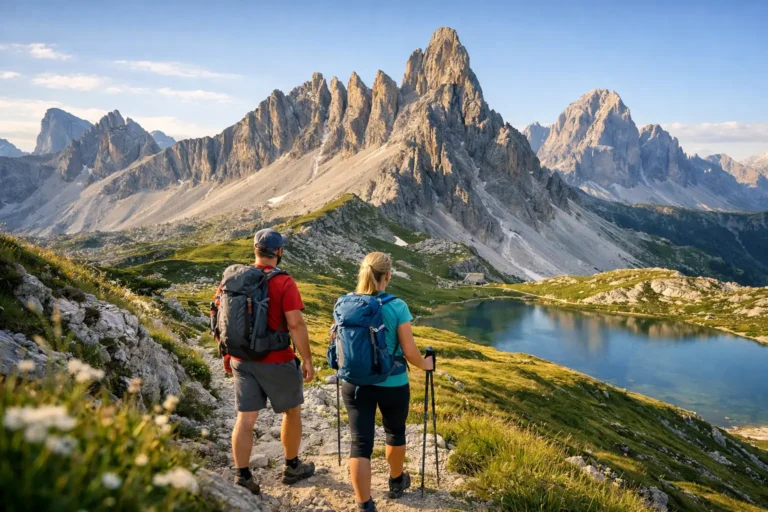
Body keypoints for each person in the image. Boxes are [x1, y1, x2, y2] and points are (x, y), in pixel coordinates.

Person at [214, 228, 315, 494]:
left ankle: (243, 476)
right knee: (291, 411)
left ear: (255, 251)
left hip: (241, 358)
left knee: (245, 420)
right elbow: (295, 323)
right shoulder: (284, 282)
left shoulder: (233, 278)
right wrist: (307, 359)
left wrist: (226, 353)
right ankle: (292, 467)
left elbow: (220, 320)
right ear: (279, 252)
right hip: (277, 359)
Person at [341, 252, 434, 512]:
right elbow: (410, 352)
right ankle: (396, 482)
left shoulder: (345, 303)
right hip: (392, 382)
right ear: (388, 276)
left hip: (355, 383)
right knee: (395, 431)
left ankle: (364, 504)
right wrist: (426, 364)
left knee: (360, 442)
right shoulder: (397, 306)